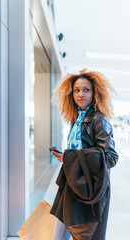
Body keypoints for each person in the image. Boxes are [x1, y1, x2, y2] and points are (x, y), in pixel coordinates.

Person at [50, 69, 119, 240]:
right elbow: (77, 152)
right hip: (72, 183)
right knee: (60, 234)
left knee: (83, 235)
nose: (81, 94)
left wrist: (74, 157)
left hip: (91, 189)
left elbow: (111, 157)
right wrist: (67, 157)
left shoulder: (98, 120)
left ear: (95, 93)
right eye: (77, 90)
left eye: (86, 90)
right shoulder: (76, 120)